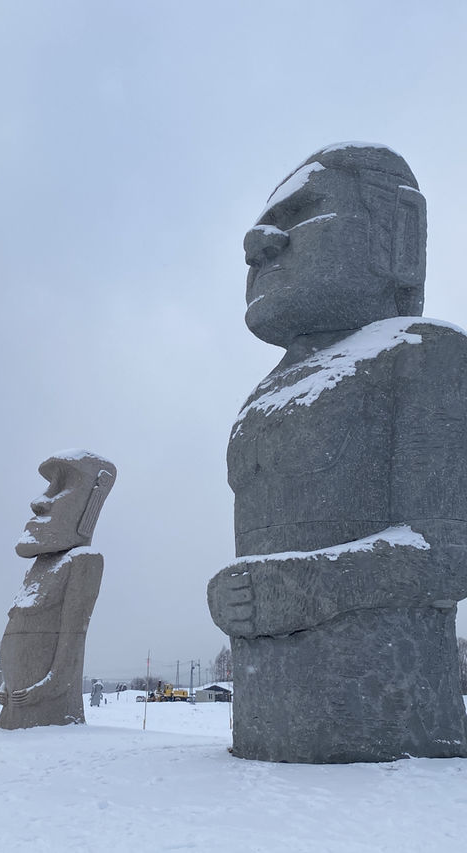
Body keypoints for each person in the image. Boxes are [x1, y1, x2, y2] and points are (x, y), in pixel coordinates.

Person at [208, 142, 467, 762]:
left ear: (399, 234)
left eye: (303, 214)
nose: (260, 242)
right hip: (265, 735)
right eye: (265, 223)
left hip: (386, 736)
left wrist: (313, 583)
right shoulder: (261, 394)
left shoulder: (422, 353)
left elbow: (449, 551)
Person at [0, 450, 116, 729]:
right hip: (14, 706)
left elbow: (71, 645)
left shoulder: (82, 562)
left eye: (61, 488)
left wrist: (45, 689)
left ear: (92, 501)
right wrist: (6, 682)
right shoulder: (38, 567)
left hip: (42, 707)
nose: (38, 502)